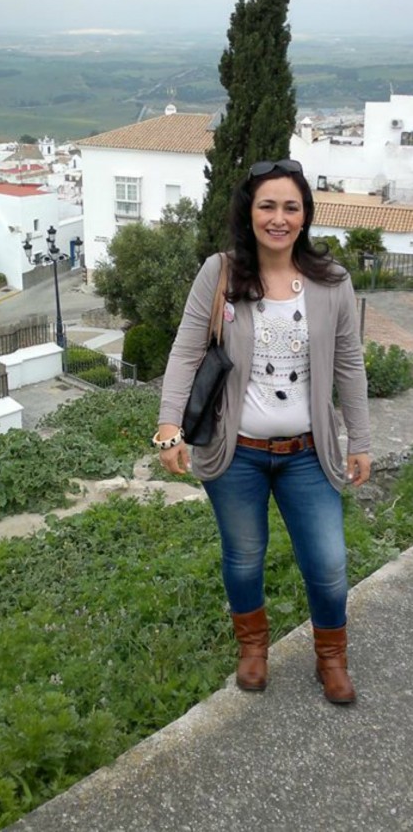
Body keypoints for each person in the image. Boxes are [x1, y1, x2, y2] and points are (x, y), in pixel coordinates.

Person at [152, 159, 371, 705]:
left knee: (328, 563)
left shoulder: (332, 281)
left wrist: (361, 440)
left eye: (290, 207)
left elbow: (349, 362)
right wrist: (169, 425)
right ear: (248, 214)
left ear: (305, 216)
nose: (279, 218)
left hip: (309, 454)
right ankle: (252, 649)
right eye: (267, 206)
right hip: (237, 455)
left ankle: (331, 657)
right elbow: (186, 350)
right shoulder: (221, 273)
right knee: (244, 556)